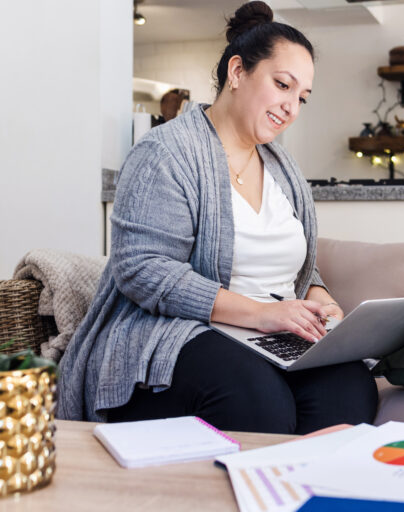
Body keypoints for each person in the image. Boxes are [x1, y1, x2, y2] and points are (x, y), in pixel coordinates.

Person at [58, 1, 378, 434]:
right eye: (282, 85)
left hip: (269, 340)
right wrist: (262, 314)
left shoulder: (283, 167)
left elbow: (299, 268)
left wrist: (324, 303)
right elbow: (143, 270)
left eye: (301, 97)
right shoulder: (165, 153)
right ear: (237, 72)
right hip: (179, 335)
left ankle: (306, 492)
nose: (291, 107)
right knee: (256, 395)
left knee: (350, 384)